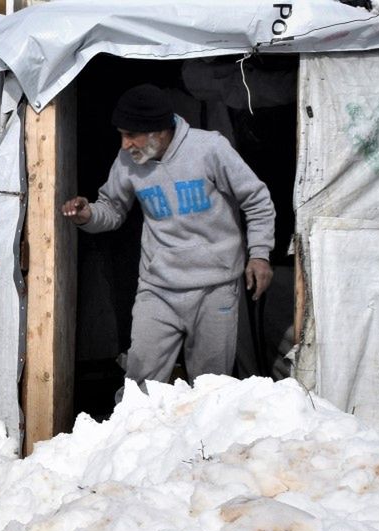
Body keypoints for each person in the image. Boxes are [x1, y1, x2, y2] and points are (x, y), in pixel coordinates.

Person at [61, 84, 277, 392]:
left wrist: (259, 254)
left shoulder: (210, 149)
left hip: (214, 288)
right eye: (121, 134)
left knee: (211, 388)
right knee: (139, 385)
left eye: (131, 134)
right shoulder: (128, 161)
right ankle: (129, 440)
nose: (124, 144)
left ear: (159, 131)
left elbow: (255, 199)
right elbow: (112, 208)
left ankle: (202, 442)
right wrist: (88, 216)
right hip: (158, 288)